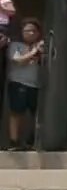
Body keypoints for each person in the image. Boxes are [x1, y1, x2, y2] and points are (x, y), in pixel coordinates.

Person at [6, 18, 43, 151]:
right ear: (22, 32)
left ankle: (31, 141)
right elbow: (17, 61)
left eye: (34, 31)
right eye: (28, 31)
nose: (31, 33)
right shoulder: (16, 45)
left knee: (35, 114)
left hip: (36, 85)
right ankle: (14, 142)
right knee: (17, 113)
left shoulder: (41, 47)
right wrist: (33, 52)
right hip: (18, 83)